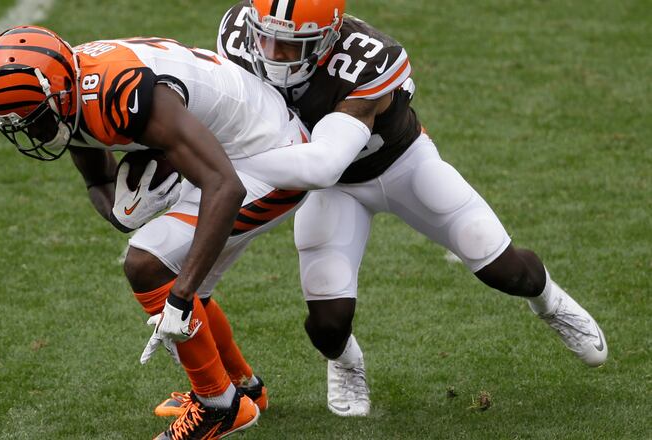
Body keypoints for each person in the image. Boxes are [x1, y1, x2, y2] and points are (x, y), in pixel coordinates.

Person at [215, 0, 608, 417]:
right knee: (328, 325)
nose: (274, 55)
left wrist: (230, 161)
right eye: (268, 38)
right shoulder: (239, 35)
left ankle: (548, 300)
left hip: (401, 165)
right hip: (335, 189)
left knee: (505, 269)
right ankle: (346, 362)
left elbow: (324, 163)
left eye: (293, 45)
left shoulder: (367, 59)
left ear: (328, 37)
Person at [0, 25, 372, 439]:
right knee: (175, 274)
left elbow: (226, 186)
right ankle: (242, 389)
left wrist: (180, 299)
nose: (32, 132)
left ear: (58, 93)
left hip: (271, 155)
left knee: (147, 263)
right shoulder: (71, 91)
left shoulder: (120, 93)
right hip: (221, 151)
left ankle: (217, 407)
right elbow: (99, 183)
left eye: (36, 119)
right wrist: (124, 212)